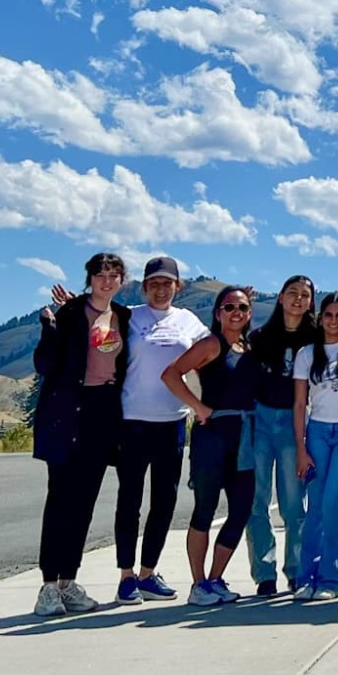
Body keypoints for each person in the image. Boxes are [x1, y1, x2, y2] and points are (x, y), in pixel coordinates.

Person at [30, 251, 131, 617]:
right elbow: (44, 364)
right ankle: (47, 587)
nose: (107, 280)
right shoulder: (70, 314)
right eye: (100, 274)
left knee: (85, 503)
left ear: (122, 280)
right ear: (89, 278)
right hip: (68, 415)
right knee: (59, 501)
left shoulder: (124, 317)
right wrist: (49, 327)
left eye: (114, 274)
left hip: (102, 416)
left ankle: (68, 582)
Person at [112, 256, 207, 602]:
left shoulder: (188, 321)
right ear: (144, 287)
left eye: (167, 283)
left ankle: (148, 573)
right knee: (129, 500)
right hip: (133, 421)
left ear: (177, 287)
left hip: (172, 423)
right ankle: (126, 576)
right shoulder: (128, 317)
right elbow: (96, 326)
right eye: (154, 283)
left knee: (164, 501)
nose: (161, 289)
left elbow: (215, 351)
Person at [162, 286, 261, 606]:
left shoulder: (249, 346)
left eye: (242, 308)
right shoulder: (210, 344)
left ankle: (216, 578)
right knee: (204, 509)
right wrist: (198, 407)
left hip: (244, 438)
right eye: (229, 306)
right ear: (218, 312)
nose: (236, 312)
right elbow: (171, 374)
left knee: (241, 509)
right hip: (213, 436)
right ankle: (198, 583)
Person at [292, 290, 338, 602]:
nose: (334, 320)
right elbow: (299, 404)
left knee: (332, 503)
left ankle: (331, 578)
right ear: (320, 318)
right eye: (328, 315)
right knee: (315, 505)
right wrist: (301, 446)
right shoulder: (307, 354)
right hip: (319, 431)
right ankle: (304, 576)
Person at [246, 274, 317, 597]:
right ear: (280, 298)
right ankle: (264, 573)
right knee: (257, 501)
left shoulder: (315, 337)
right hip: (260, 418)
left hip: (294, 421)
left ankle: (296, 569)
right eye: (293, 293)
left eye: (305, 295)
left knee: (293, 503)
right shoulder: (260, 337)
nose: (298, 299)